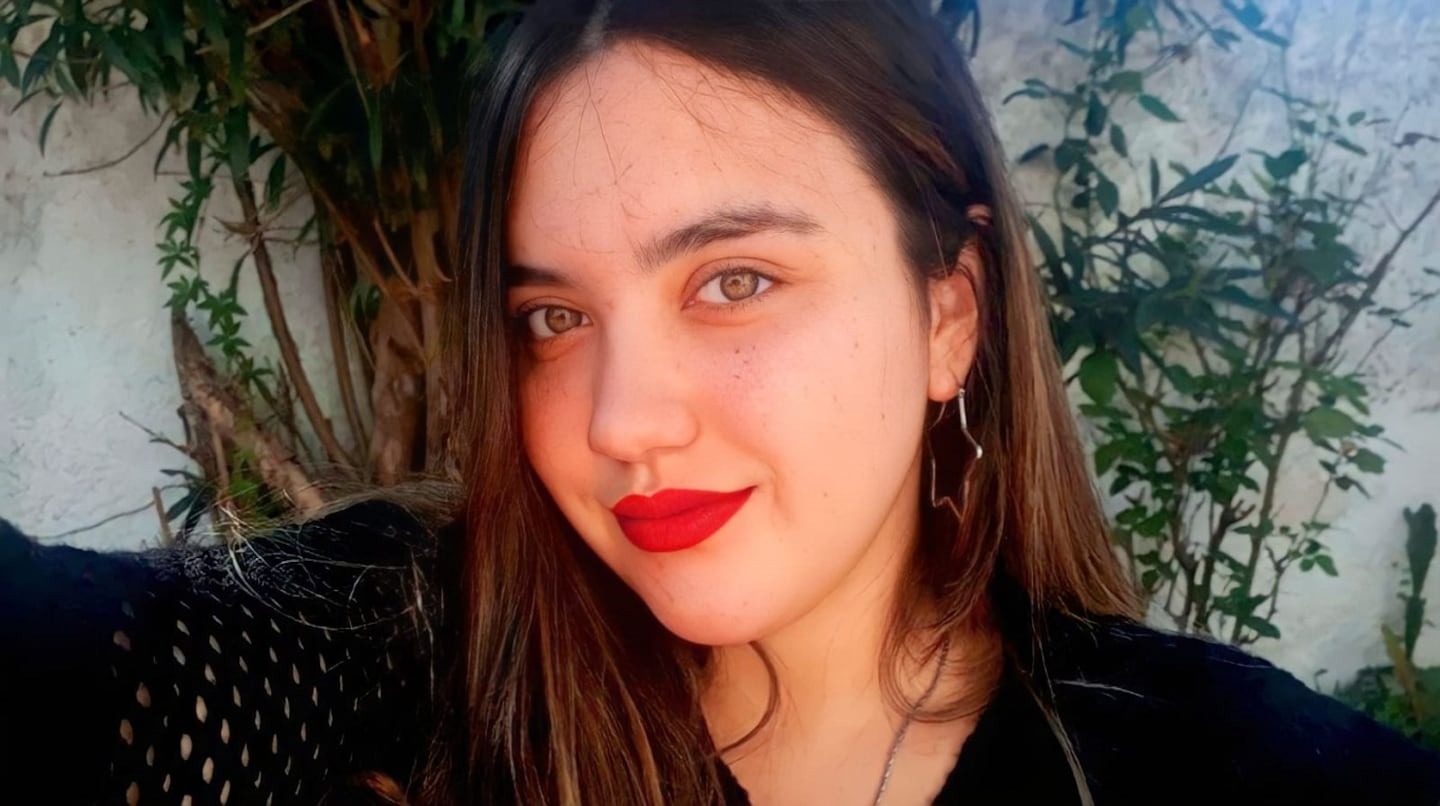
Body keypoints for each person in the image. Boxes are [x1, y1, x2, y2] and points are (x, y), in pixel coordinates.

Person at [2, 1, 1439, 804]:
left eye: (734, 280)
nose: (621, 421)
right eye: (554, 317)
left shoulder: (1221, 770)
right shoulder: (436, 648)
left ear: (949, 309)